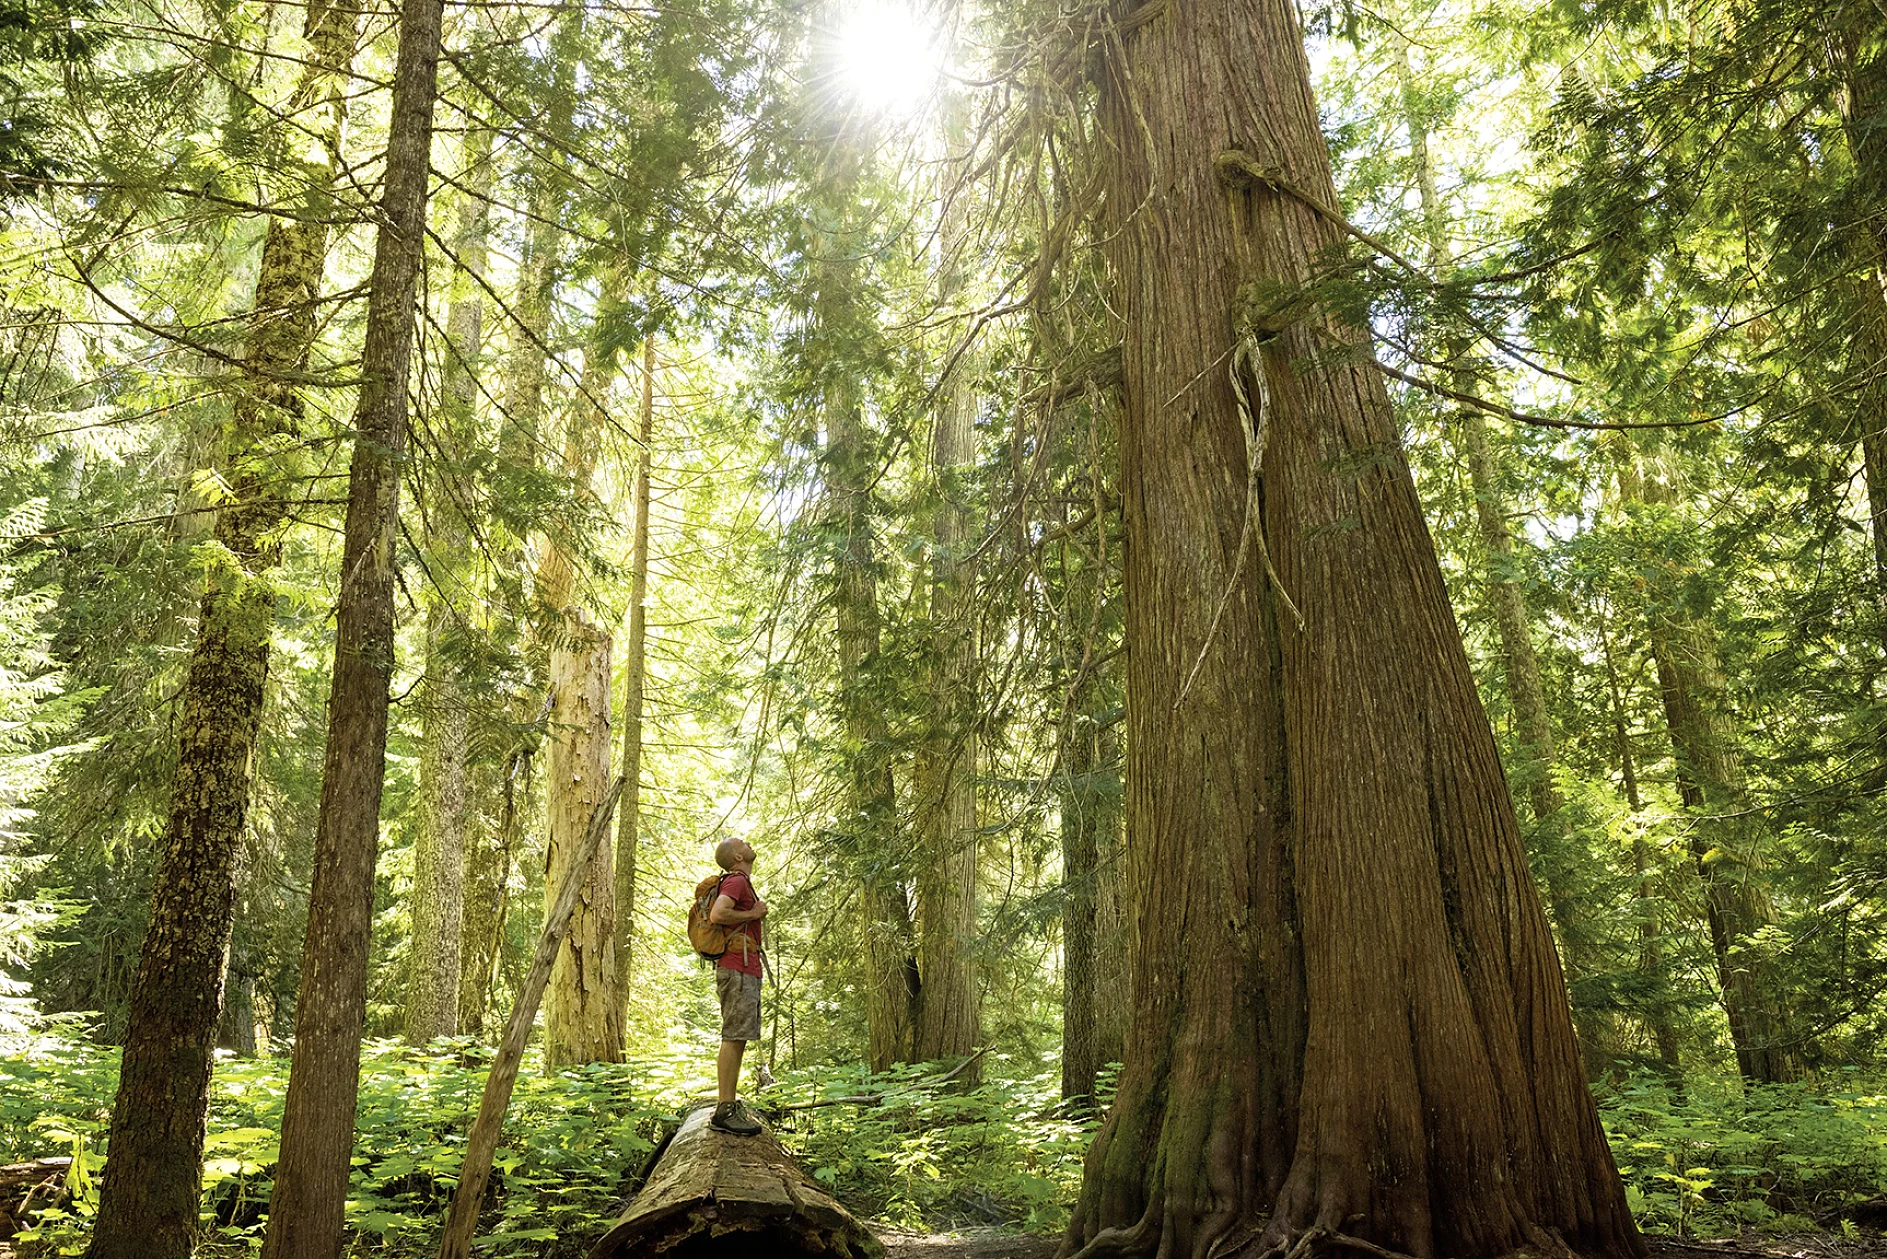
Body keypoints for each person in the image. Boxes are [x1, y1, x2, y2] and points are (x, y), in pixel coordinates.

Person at [707, 835, 768, 1135]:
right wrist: (753, 913)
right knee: (734, 1036)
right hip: (737, 967)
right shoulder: (736, 882)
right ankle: (724, 1110)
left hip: (743, 966)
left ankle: (728, 1106)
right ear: (737, 858)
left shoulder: (739, 882)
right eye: (742, 843)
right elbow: (717, 913)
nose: (747, 844)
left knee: (739, 1035)